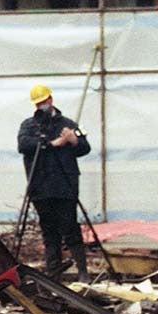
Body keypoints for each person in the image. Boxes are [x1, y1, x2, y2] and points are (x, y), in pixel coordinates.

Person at [16, 83, 92, 279]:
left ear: (51, 99)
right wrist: (51, 144)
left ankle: (83, 272)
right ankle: (53, 272)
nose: (41, 106)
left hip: (65, 185)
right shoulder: (29, 126)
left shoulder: (67, 124)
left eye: (44, 102)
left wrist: (73, 141)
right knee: (49, 231)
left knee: (70, 227)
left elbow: (84, 147)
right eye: (38, 103)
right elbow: (24, 145)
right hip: (40, 186)